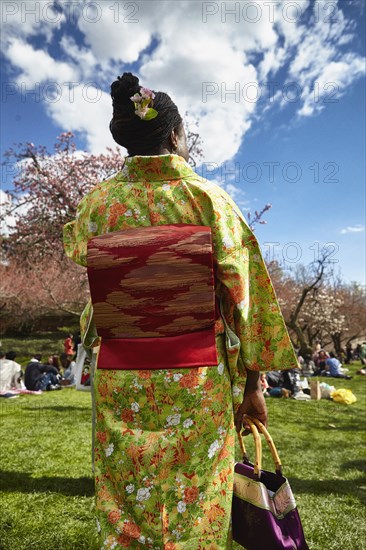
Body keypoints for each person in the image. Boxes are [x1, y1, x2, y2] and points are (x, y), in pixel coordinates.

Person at [63, 72, 299, 549]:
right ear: (174, 136)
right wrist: (254, 384)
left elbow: (80, 252)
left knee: (127, 492)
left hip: (121, 374)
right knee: (196, 495)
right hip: (195, 373)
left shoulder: (97, 207)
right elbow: (245, 296)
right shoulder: (208, 200)